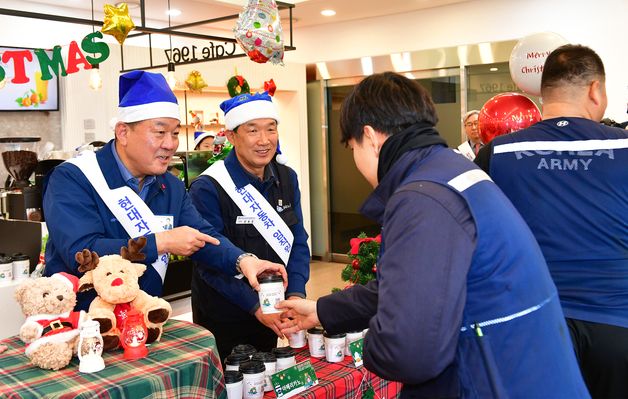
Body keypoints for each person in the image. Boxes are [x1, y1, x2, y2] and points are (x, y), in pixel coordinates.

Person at [277, 72, 588, 398]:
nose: (355, 159)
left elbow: (409, 352)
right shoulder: (448, 170)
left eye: (352, 147)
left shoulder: (422, 197)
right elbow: (414, 283)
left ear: (370, 137)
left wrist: (361, 347)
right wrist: (323, 311)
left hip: (493, 381)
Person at [43, 71, 286, 311]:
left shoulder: (170, 186)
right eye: (160, 132)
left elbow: (202, 234)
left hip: (144, 321)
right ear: (123, 133)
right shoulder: (75, 177)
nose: (170, 144)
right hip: (82, 323)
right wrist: (161, 242)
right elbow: (81, 253)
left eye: (175, 133)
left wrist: (243, 261)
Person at [475, 44, 628, 398]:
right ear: (595, 90)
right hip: (617, 328)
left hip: (534, 326)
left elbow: (479, 238)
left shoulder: (497, 153)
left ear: (543, 94)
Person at [188, 92, 310, 358]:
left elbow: (298, 241)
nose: (264, 140)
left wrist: (296, 295)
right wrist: (256, 306)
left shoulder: (286, 177)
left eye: (271, 129)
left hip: (274, 307)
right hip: (224, 315)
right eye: (252, 130)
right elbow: (208, 261)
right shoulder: (209, 187)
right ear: (231, 137)